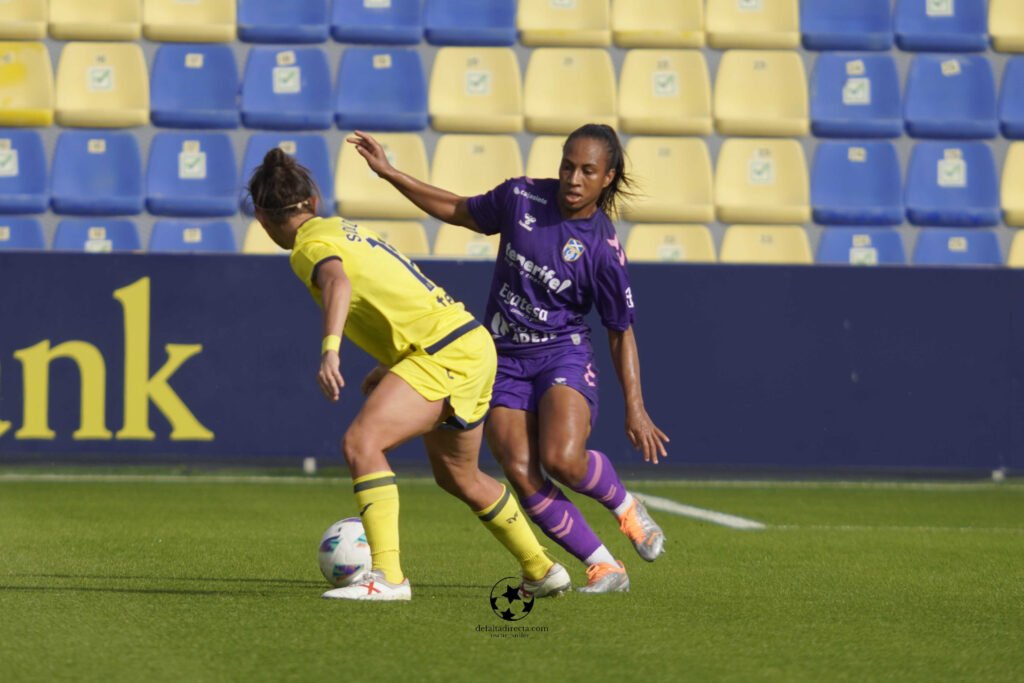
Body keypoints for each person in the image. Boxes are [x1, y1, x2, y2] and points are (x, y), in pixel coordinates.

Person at [348, 123, 669, 594]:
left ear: (607, 177)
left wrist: (636, 407)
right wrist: (390, 173)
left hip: (562, 354)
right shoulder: (521, 198)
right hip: (502, 358)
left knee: (561, 458)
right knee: (519, 470)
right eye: (567, 165)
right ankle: (604, 566)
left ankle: (624, 507)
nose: (573, 178)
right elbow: (457, 209)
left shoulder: (603, 248)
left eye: (587, 170)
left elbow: (620, 332)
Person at [247, 148, 570, 602]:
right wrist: (393, 363)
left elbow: (338, 283)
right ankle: (541, 568)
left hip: (444, 354)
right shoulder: (345, 230)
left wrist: (330, 351)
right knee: (460, 475)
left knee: (361, 444)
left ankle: (389, 578)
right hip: (468, 343)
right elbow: (399, 294)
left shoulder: (309, 246)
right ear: (314, 202)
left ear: (261, 217)